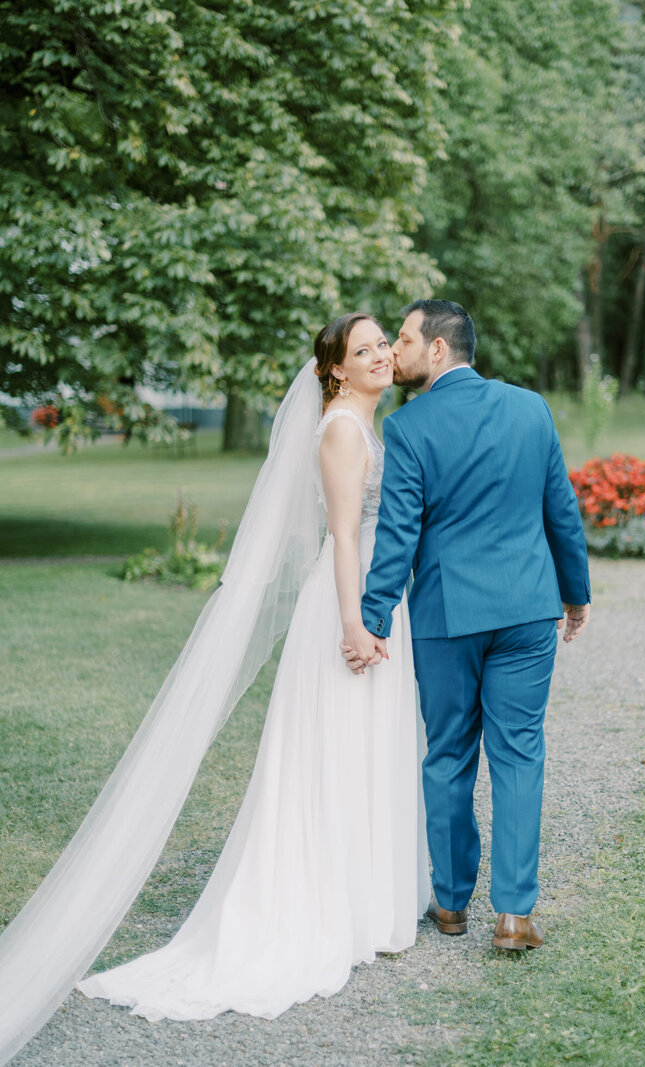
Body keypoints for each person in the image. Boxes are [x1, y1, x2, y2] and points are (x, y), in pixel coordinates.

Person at [0, 314, 428, 1064]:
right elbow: (346, 535)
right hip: (349, 605)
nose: (381, 356)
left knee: (367, 753)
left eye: (380, 345)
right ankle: (322, 908)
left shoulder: (368, 425)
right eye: (362, 351)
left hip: (376, 600)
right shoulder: (338, 432)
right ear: (334, 371)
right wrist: (358, 621)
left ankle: (365, 904)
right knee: (332, 758)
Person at [345, 299, 591, 951]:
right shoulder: (531, 409)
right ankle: (513, 914)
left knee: (449, 753)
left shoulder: (409, 429)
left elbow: (398, 537)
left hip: (447, 617)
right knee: (519, 753)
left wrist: (370, 618)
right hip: (527, 609)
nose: (392, 351)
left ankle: (451, 904)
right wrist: (576, 596)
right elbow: (561, 512)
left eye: (402, 339)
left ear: (438, 351)